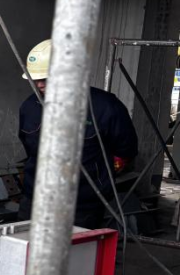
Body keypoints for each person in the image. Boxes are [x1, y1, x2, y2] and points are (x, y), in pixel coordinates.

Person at [18, 38, 137, 228]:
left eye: (45, 79)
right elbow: (29, 146)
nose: (39, 85)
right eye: (35, 79)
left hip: (82, 205)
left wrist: (98, 177)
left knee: (77, 247)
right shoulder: (30, 106)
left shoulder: (105, 107)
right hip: (35, 200)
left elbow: (125, 151)